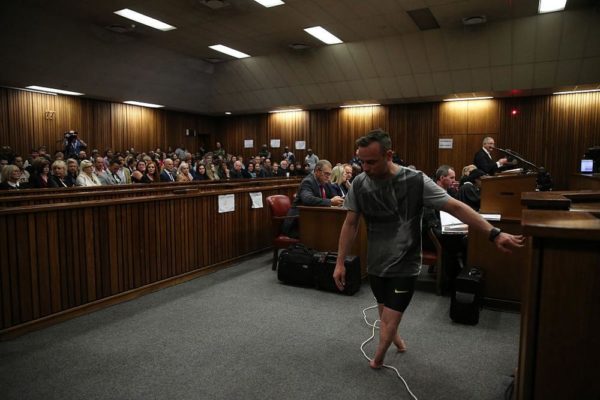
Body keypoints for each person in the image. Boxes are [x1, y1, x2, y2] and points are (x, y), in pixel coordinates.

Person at [332, 130, 524, 369]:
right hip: (376, 263)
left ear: (389, 155)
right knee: (385, 312)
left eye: (371, 161)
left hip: (406, 263)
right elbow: (350, 224)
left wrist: (493, 233)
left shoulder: (415, 180)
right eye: (361, 161)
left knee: (390, 318)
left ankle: (378, 358)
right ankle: (398, 342)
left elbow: (455, 206)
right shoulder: (360, 183)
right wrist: (340, 262)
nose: (365, 167)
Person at [282, 160, 344, 238]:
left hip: (312, 221)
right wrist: (330, 202)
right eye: (326, 174)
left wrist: (340, 200)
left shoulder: (324, 181)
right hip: (297, 224)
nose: (328, 177)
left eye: (329, 174)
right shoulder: (308, 182)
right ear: (317, 171)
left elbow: (334, 196)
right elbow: (307, 199)